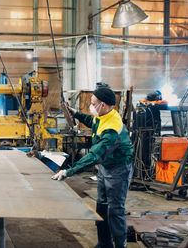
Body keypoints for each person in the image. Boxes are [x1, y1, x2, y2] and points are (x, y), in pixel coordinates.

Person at [52, 86, 134, 248]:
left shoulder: (111, 129)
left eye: (93, 103)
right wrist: (74, 113)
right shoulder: (104, 115)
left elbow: (94, 156)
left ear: (102, 105)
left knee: (115, 211)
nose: (91, 105)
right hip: (106, 167)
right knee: (102, 207)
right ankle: (104, 243)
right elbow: (92, 121)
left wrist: (69, 171)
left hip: (118, 170)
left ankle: (119, 245)